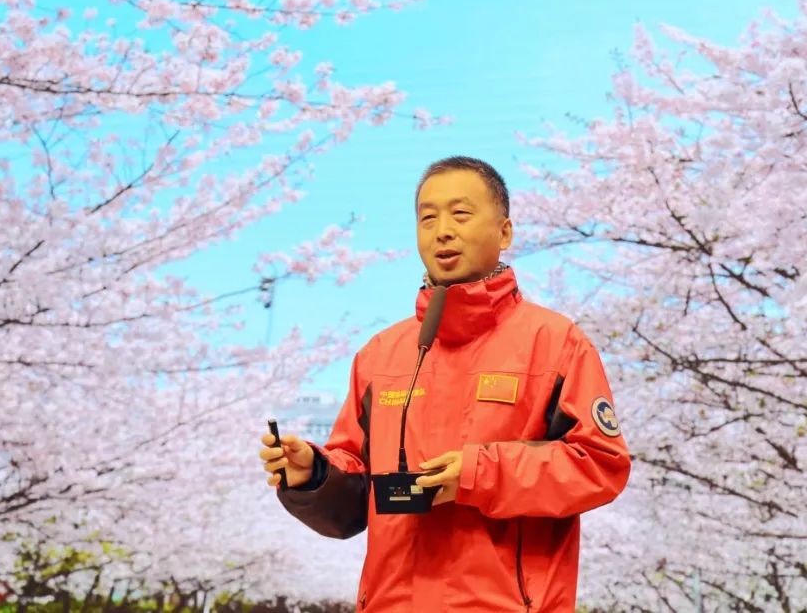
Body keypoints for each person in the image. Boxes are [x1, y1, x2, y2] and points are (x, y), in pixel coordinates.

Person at [260, 156, 631, 612]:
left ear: (505, 232)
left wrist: (479, 474)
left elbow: (599, 465)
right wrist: (314, 475)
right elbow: (355, 497)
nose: (442, 231)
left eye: (460, 214)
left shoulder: (555, 344)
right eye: (428, 218)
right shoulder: (380, 355)